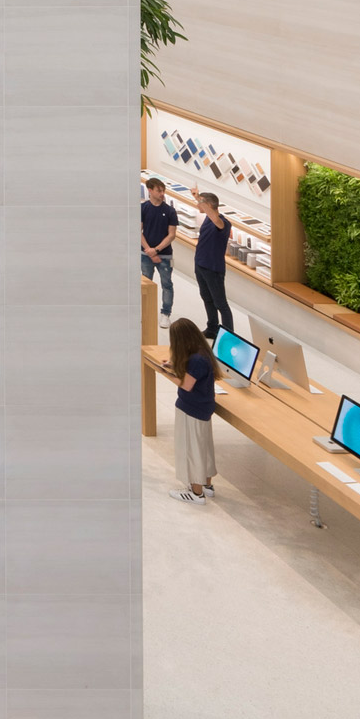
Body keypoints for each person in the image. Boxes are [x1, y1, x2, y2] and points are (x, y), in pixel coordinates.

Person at [165, 317, 218, 502]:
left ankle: (196, 493)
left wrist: (168, 373)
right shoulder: (202, 353)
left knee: (192, 450)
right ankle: (206, 485)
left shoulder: (196, 361)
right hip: (203, 409)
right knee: (204, 447)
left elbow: (186, 385)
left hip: (191, 409)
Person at [193, 191, 234, 338]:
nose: (197, 205)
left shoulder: (223, 223)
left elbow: (216, 219)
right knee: (206, 298)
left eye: (201, 203)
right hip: (201, 265)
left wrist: (198, 198)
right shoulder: (206, 219)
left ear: (209, 205)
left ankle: (228, 335)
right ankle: (212, 328)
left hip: (213, 269)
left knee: (221, 303)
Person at [140, 178, 179, 326]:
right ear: (150, 190)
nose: (162, 194)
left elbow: (171, 235)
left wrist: (155, 250)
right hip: (145, 254)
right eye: (159, 190)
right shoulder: (143, 208)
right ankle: (144, 311)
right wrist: (148, 250)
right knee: (145, 284)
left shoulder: (170, 211)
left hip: (164, 254)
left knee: (167, 284)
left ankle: (165, 313)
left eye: (163, 191)